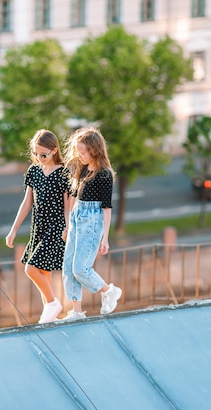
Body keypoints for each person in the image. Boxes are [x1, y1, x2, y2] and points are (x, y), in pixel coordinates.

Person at [58, 127, 122, 322]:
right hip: (78, 216)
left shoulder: (104, 174)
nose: (80, 155)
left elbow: (107, 208)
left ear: (94, 150)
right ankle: (76, 311)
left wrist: (105, 237)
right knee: (68, 266)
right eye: (78, 151)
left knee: (80, 268)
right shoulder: (83, 168)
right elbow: (74, 199)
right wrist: (68, 226)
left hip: (92, 220)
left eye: (83, 152)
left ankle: (108, 290)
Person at [6, 129, 69, 324]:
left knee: (31, 268)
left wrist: (67, 228)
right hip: (38, 227)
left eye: (44, 154)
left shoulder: (64, 172)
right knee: (44, 273)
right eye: (36, 154)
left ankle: (53, 304)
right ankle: (52, 315)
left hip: (56, 227)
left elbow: (68, 205)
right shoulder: (33, 171)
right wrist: (14, 229)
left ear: (55, 150)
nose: (40, 158)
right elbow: (27, 203)